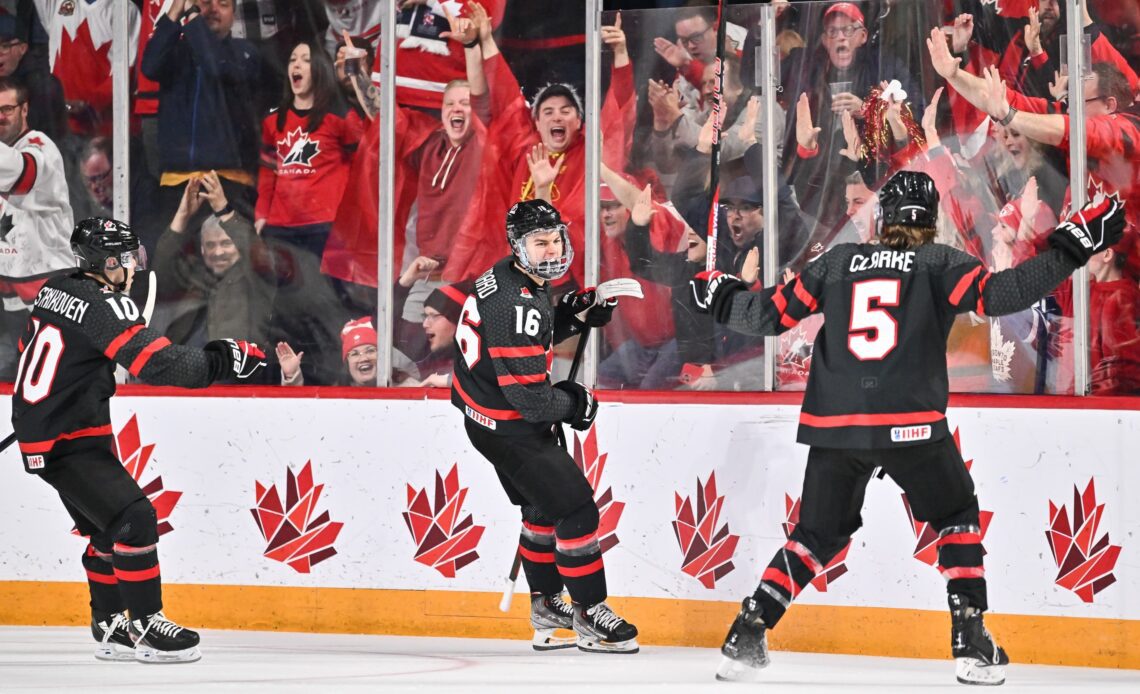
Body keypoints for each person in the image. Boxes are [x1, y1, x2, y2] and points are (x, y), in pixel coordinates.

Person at [690, 171, 1125, 685]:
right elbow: (1004, 294)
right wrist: (1069, 251)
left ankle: (749, 628)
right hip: (911, 423)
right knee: (955, 512)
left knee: (816, 534)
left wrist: (720, 296)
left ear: (882, 217)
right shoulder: (940, 262)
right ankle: (970, 641)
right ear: (932, 220)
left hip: (836, 425)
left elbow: (769, 316)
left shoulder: (837, 262)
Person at [10, 217, 267, 663]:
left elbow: (29, 352)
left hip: (51, 428)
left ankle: (109, 625)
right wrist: (224, 358)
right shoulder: (104, 303)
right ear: (108, 262)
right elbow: (162, 365)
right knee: (135, 519)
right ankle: (147, 624)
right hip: (68, 437)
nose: (133, 266)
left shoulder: (57, 288)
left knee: (106, 527)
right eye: (128, 257)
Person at [450, 199, 638, 653]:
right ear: (518, 245)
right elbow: (531, 398)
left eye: (555, 239)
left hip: (486, 417)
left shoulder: (509, 277)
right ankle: (590, 613)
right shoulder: (516, 302)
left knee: (541, 508)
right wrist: (574, 403)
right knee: (576, 511)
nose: (551, 250)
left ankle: (547, 605)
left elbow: (527, 337)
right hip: (511, 426)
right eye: (540, 242)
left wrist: (573, 314)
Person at [0, 78, 74, 381]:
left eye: (6, 108)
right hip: (11, 270)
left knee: (56, 366)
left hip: (47, 272)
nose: (0, 116)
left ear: (25, 109)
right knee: (15, 365)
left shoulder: (41, 146)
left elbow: (22, 175)